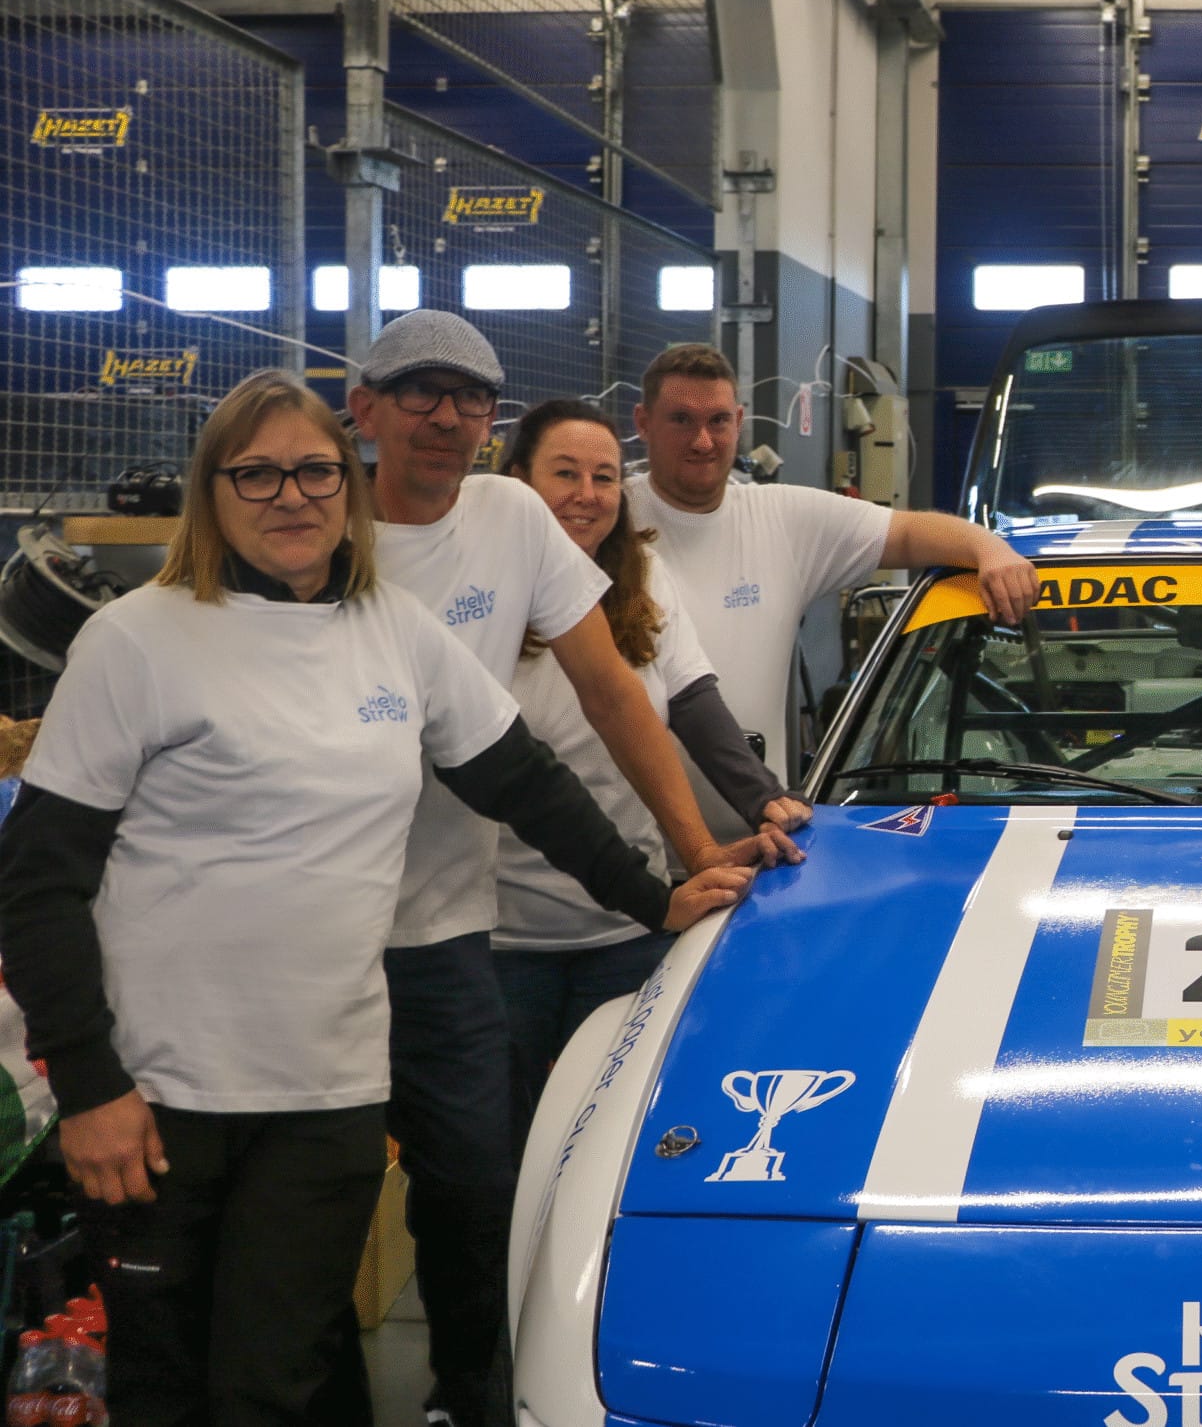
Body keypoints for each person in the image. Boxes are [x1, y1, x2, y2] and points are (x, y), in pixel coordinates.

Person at [0, 372, 750, 1427]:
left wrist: (652, 893)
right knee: (167, 1385)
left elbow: (522, 780)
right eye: (257, 474)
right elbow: (39, 879)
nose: (291, 496)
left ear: (347, 490)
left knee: (277, 1377)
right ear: (212, 492)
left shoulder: (393, 627)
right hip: (162, 1096)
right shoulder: (135, 641)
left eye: (316, 472)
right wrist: (88, 1085)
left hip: (327, 1093)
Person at [346, 312, 782, 1427]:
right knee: (331, 1190)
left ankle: (477, 1391)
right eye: (421, 392)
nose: (446, 416)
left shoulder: (511, 523)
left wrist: (693, 858)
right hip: (325, 930)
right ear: (366, 408)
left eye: (470, 397)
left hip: (452, 923)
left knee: (475, 1182)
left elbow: (620, 695)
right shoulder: (325, 528)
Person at [491, 400, 810, 1145]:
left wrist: (765, 802)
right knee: (494, 1156)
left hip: (630, 923)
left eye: (604, 477)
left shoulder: (641, 574)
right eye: (564, 473)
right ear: (517, 481)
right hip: (502, 939)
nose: (586, 494)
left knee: (618, 1140)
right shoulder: (486, 588)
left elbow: (693, 701)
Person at [626, 343, 1040, 812]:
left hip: (760, 836)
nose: (703, 441)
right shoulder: (608, 524)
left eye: (718, 421)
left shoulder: (781, 518)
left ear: (739, 422)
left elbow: (907, 533)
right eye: (681, 420)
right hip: (628, 842)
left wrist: (990, 550)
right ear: (643, 422)